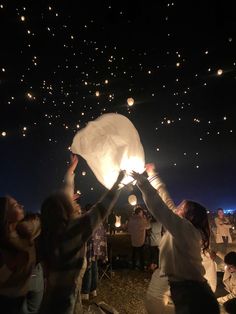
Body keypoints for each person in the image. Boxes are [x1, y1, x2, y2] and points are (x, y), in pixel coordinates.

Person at [39, 156, 124, 314]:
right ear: (65, 210)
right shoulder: (74, 230)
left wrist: (71, 171)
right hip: (64, 299)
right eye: (71, 202)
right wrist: (118, 183)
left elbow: (62, 198)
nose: (75, 201)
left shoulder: (48, 232)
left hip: (51, 293)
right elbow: (102, 208)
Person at [131, 168, 219, 314]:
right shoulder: (184, 228)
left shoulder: (185, 229)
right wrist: (154, 175)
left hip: (194, 296)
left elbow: (159, 207)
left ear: (188, 215)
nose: (176, 208)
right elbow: (167, 201)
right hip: (191, 292)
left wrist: (143, 182)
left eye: (180, 207)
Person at [0, 196, 43, 314]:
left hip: (32, 282)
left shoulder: (24, 230)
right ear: (5, 214)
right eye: (15, 205)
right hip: (10, 299)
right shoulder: (4, 244)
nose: (21, 206)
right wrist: (11, 267)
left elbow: (41, 220)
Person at [81, 217, 108, 301]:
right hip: (97, 249)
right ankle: (93, 290)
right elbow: (103, 236)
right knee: (94, 268)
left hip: (90, 249)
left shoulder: (88, 223)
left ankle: (86, 292)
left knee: (88, 269)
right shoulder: (99, 223)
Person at [127, 206, 150, 271]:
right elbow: (148, 226)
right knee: (141, 254)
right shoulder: (142, 219)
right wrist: (145, 219)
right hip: (140, 239)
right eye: (142, 212)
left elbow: (128, 229)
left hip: (133, 239)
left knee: (134, 253)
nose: (142, 213)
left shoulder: (131, 219)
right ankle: (142, 267)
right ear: (139, 212)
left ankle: (133, 266)